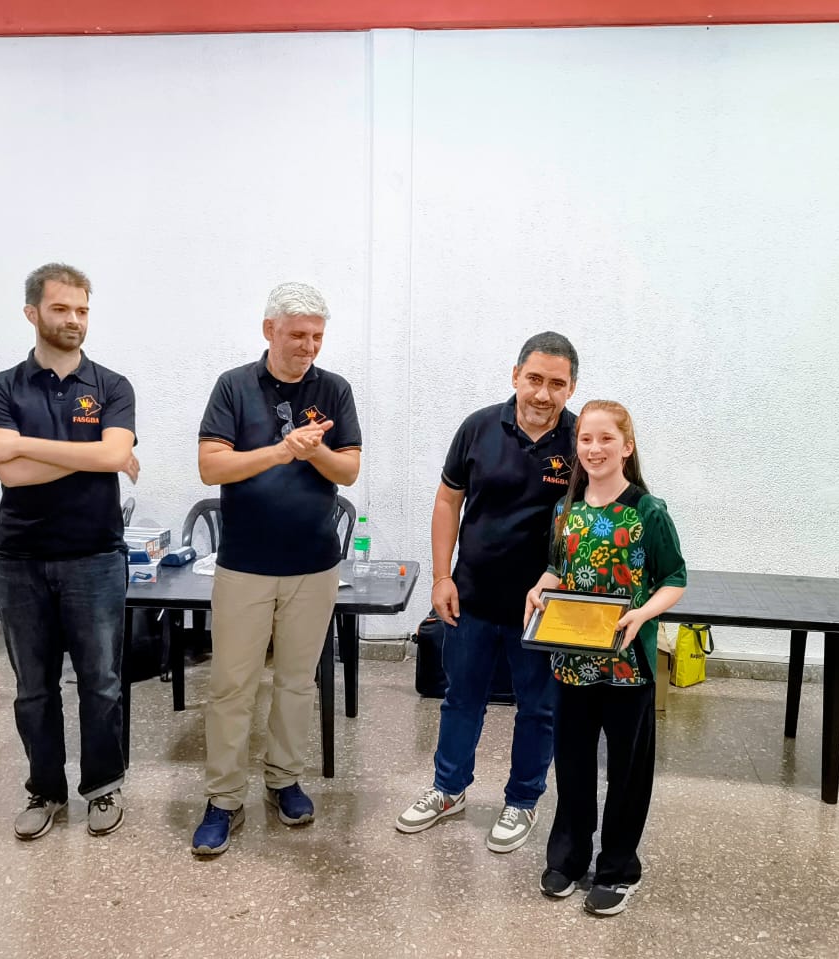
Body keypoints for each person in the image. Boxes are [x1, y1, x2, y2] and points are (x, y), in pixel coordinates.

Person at [190, 282, 361, 856]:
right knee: (231, 685)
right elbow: (212, 468)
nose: (308, 346)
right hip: (244, 566)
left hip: (313, 567)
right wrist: (282, 451)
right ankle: (223, 798)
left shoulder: (334, 390)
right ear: (269, 331)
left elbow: (349, 472)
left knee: (296, 682)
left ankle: (284, 779)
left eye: (317, 336)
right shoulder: (234, 387)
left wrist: (317, 454)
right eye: (297, 336)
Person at [0, 263, 139, 841]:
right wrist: (91, 453)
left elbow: (110, 455)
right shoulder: (2, 387)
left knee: (102, 681)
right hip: (18, 560)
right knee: (33, 687)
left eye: (83, 310)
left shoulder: (112, 386)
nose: (74, 320)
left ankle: (102, 787)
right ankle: (45, 789)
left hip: (94, 555)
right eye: (62, 309)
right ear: (33, 313)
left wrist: (19, 443)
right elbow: (12, 478)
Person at [396, 332, 578, 853]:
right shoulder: (478, 427)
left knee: (538, 709)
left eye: (557, 384)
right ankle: (448, 790)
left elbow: (596, 516)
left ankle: (522, 800)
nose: (543, 394)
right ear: (515, 376)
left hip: (544, 607)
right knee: (461, 699)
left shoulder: (579, 440)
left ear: (571, 388)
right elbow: (447, 502)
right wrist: (440, 576)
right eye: (535, 379)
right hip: (471, 595)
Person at [524, 399, 686, 915]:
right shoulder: (565, 511)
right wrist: (540, 588)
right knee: (571, 762)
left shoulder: (647, 511)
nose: (594, 449)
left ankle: (617, 866)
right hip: (573, 661)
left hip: (628, 666)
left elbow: (674, 580)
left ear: (626, 447)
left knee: (627, 768)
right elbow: (557, 568)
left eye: (605, 440)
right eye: (585, 440)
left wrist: (642, 616)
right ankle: (569, 857)